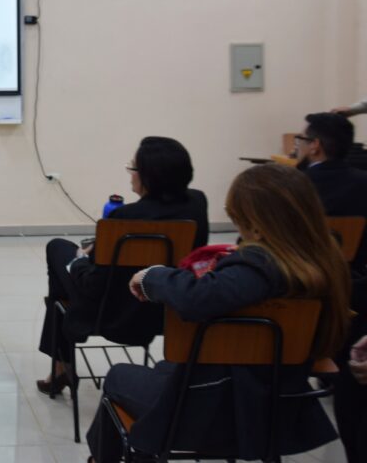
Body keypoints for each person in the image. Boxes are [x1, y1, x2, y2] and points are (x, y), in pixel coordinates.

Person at [85, 164, 350, 462]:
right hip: (281, 400)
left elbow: (196, 299)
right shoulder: (324, 262)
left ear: (257, 225)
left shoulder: (260, 267)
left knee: (118, 375)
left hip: (224, 406)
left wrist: (152, 276)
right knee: (164, 368)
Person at [37, 136, 209, 394]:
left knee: (58, 249)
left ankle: (62, 366)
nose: (130, 175)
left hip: (114, 312)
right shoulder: (197, 203)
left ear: (149, 176)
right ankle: (61, 368)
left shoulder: (124, 218)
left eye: (133, 168)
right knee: (67, 280)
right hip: (169, 309)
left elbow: (94, 285)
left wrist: (80, 260)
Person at [293, 112, 367, 271]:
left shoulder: (290, 185)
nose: (296, 146)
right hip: (355, 276)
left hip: (302, 277)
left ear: (314, 145)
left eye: (300, 139)